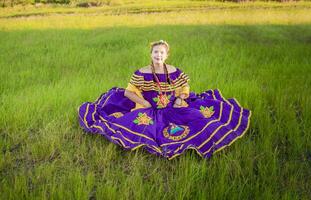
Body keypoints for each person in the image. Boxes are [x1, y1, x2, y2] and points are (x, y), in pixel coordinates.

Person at [78, 40, 252, 160]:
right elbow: (128, 93)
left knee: (200, 119)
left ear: (167, 55)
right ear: (151, 54)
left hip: (173, 107)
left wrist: (179, 98)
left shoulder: (174, 71)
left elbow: (185, 88)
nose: (158, 55)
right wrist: (144, 102)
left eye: (162, 53)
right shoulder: (141, 73)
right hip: (149, 109)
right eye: (155, 52)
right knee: (142, 128)